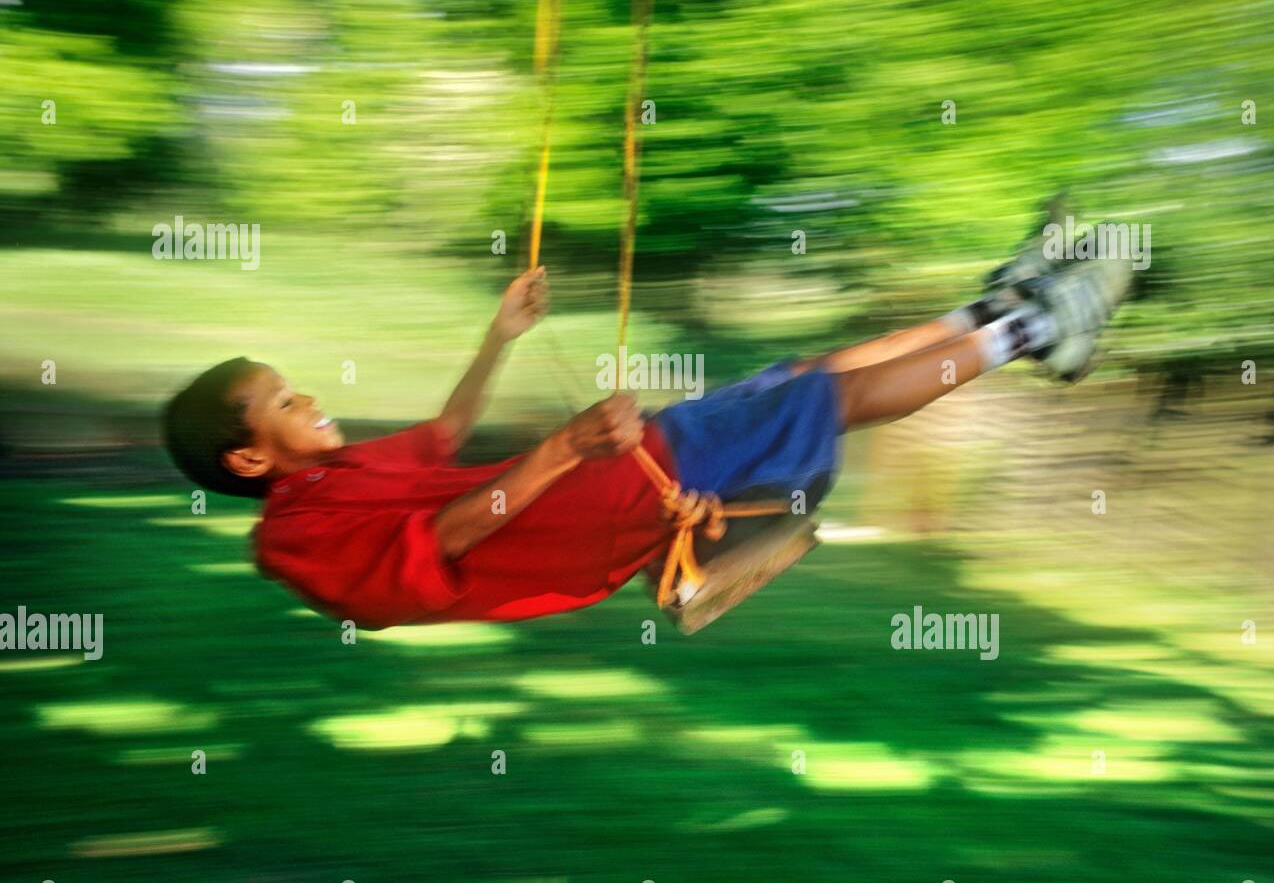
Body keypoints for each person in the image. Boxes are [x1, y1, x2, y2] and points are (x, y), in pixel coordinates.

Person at [162, 213, 1131, 628]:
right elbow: (448, 536)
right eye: (286, 402)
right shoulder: (300, 537)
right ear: (249, 455)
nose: (309, 400)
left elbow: (444, 442)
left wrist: (499, 334)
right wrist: (563, 446)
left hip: (600, 480)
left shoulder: (331, 477)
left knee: (798, 376)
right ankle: (1043, 325)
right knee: (823, 401)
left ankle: (992, 309)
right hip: (599, 509)